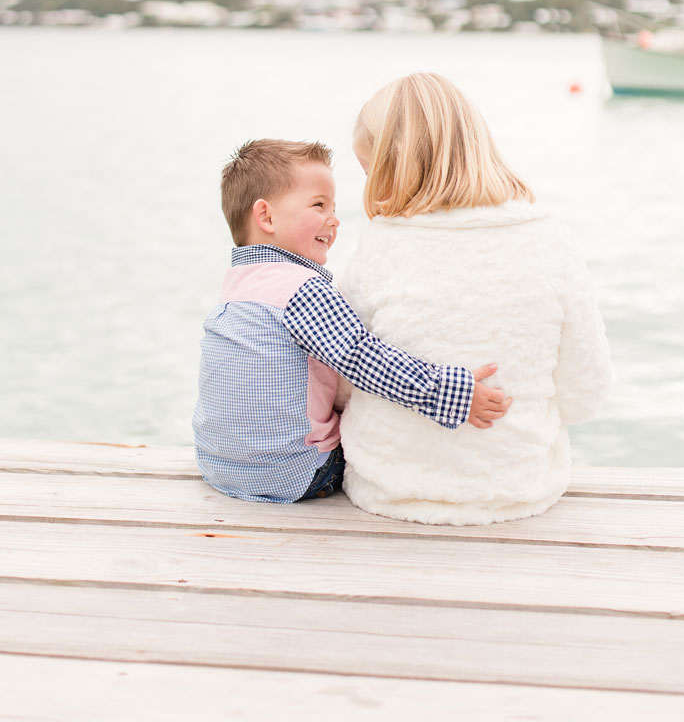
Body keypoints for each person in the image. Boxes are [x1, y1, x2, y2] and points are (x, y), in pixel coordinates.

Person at [340, 73, 613, 525]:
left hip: (388, 492)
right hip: (518, 491)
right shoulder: (549, 240)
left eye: (371, 173)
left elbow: (343, 378)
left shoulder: (378, 246)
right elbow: (586, 394)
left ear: (392, 168)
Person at [192, 138, 510, 504]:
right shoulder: (303, 289)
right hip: (291, 472)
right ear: (266, 217)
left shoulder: (235, 287)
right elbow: (362, 357)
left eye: (333, 207)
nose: (335, 219)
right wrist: (452, 392)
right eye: (319, 205)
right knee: (381, 426)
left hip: (218, 464)